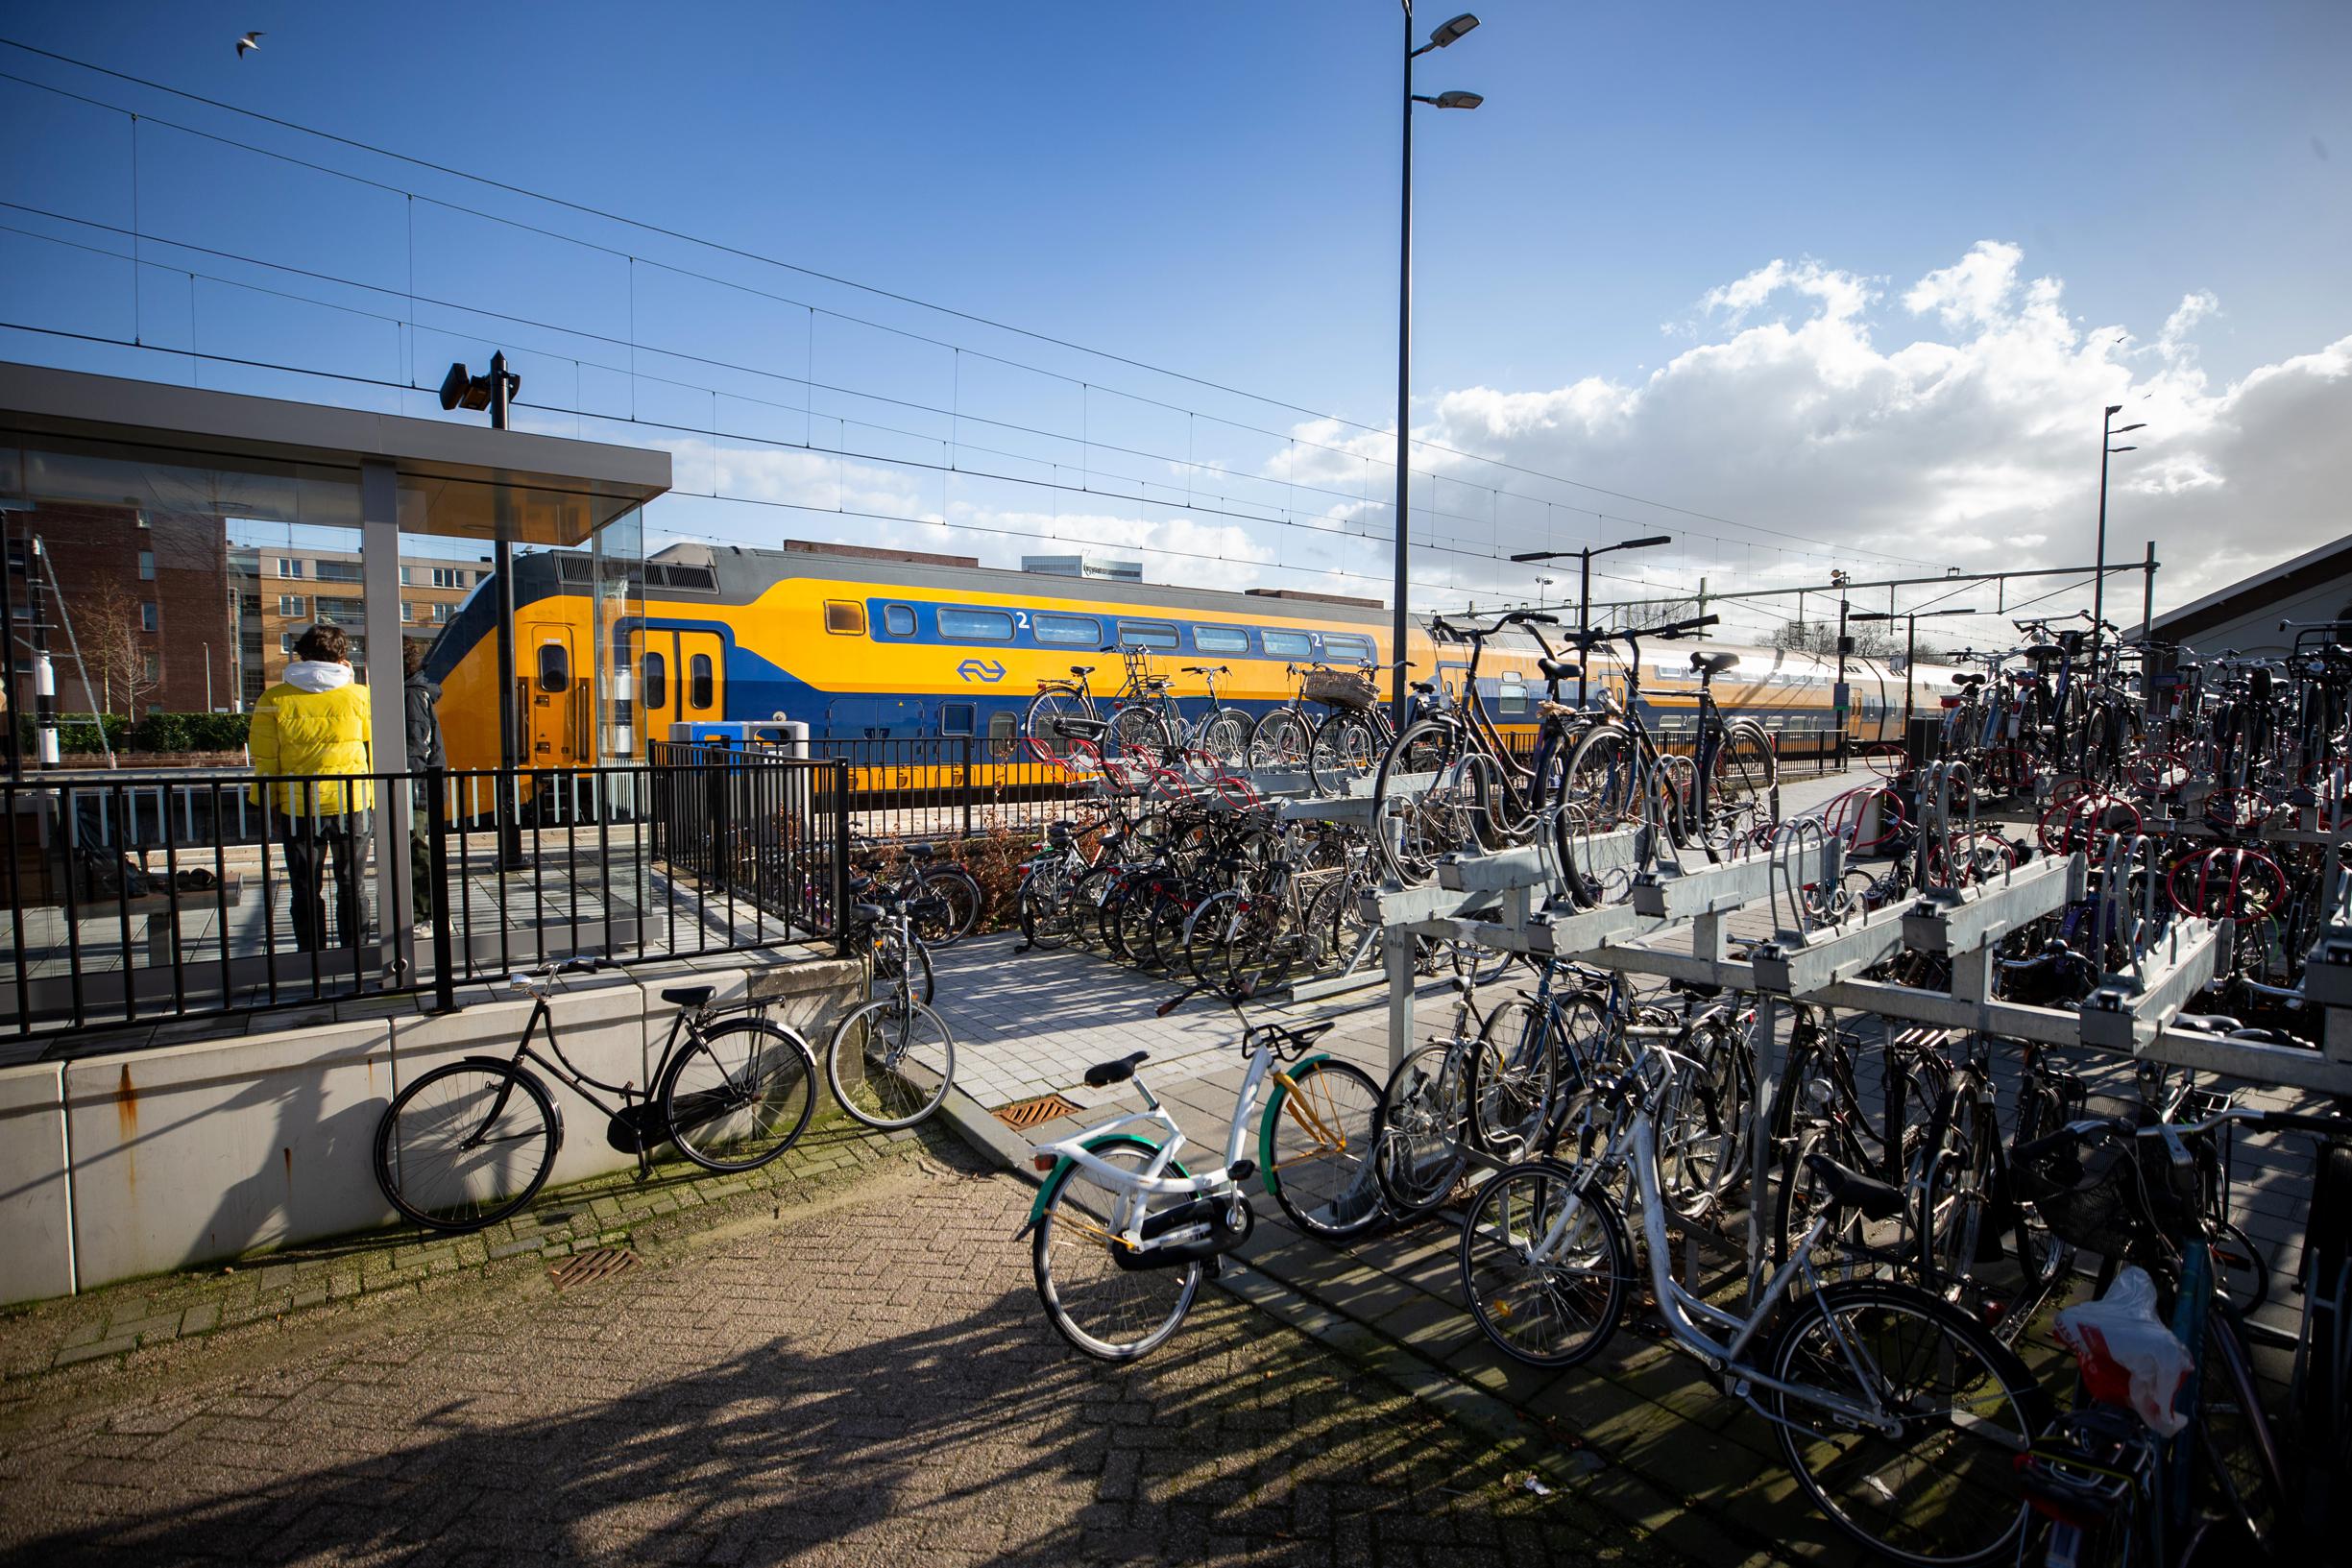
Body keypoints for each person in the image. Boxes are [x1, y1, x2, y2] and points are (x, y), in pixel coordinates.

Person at [249, 624, 374, 953]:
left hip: (298, 806)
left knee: (304, 886)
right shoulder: (361, 696)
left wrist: (269, 804)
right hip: (353, 803)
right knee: (352, 884)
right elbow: (376, 747)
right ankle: (356, 952)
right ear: (343, 656)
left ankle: (311, 956)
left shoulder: (273, 699)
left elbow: (265, 758)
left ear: (300, 654)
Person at [402, 639, 444, 937]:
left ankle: (427, 914)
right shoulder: (416, 691)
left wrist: (410, 784)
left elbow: (416, 745)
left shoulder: (411, 695)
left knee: (416, 847)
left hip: (414, 785)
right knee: (415, 846)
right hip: (416, 783)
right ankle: (421, 911)